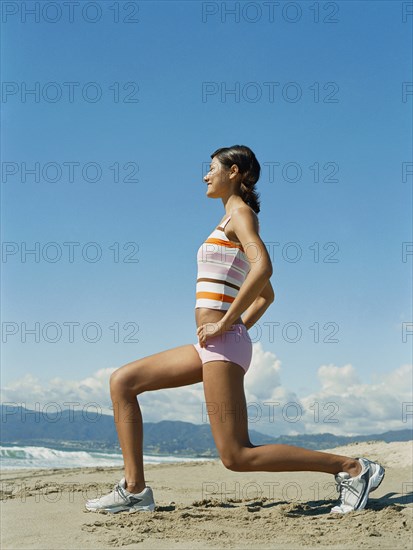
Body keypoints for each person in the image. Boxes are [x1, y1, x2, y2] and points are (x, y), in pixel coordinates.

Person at [85, 145, 385, 515]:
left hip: (223, 342)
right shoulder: (227, 222)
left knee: (236, 455)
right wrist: (234, 327)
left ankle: (353, 468)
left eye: (212, 168)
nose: (205, 175)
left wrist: (226, 324)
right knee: (123, 382)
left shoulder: (240, 215)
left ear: (235, 172)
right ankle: (134, 490)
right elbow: (267, 296)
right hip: (216, 343)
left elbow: (264, 271)